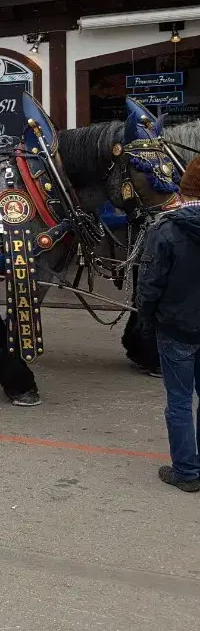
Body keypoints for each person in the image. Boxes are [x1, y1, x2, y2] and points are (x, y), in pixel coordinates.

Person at [135, 156, 200, 493]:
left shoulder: (167, 229)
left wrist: (146, 318)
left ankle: (187, 472)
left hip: (176, 328)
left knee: (178, 401)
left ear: (184, 190)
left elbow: (149, 282)